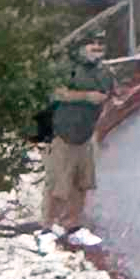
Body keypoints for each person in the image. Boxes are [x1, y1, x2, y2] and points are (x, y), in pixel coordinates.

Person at [42, 31, 114, 246]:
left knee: (81, 183)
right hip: (60, 133)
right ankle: (47, 229)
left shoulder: (105, 72)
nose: (97, 47)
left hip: (85, 135)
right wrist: (86, 97)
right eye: (92, 43)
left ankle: (73, 226)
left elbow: (109, 95)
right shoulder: (66, 67)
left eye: (101, 44)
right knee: (57, 183)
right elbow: (55, 92)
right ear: (81, 47)